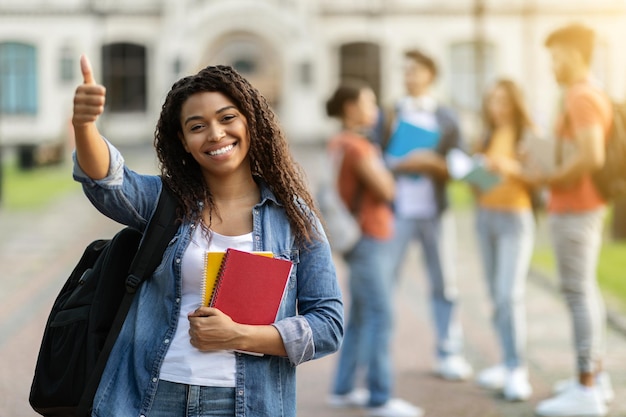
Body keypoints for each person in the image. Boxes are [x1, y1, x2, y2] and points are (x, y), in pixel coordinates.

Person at [71, 54, 344, 417]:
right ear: (183, 141)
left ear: (251, 122)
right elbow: (108, 182)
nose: (216, 134)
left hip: (247, 403)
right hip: (151, 396)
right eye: (197, 126)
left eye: (227, 118)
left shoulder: (292, 216)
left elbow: (328, 323)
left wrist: (239, 336)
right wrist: (85, 126)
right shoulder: (164, 202)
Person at [325, 80, 421, 417]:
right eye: (369, 102)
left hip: (356, 236)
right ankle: (380, 397)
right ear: (351, 108)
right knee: (381, 315)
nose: (375, 110)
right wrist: (391, 172)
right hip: (370, 235)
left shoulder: (338, 142)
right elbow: (387, 189)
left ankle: (343, 387)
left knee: (362, 315)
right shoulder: (358, 146)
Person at [532, 23, 614, 417]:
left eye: (556, 56)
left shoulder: (581, 96)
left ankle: (586, 391)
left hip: (577, 207)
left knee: (578, 294)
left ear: (575, 54)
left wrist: (552, 176)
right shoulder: (582, 94)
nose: (552, 64)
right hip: (578, 207)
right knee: (584, 292)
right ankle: (594, 377)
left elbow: (592, 156)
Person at [383, 49, 472, 381]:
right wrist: (398, 163)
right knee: (386, 282)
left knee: (444, 284)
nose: (409, 77)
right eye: (405, 71)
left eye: (415, 71)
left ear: (430, 76)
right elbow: (376, 156)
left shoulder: (446, 115)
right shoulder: (391, 112)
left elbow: (463, 160)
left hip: (435, 210)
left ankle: (449, 352)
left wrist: (435, 163)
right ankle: (381, 354)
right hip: (398, 210)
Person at [472, 79, 537, 401]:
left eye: (503, 101)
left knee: (508, 294)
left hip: (515, 218)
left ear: (514, 102)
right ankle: (504, 360)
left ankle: (517, 369)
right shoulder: (487, 134)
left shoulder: (528, 134)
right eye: (493, 100)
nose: (497, 107)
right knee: (495, 297)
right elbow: (479, 184)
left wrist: (509, 166)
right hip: (486, 218)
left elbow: (539, 177)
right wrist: (473, 171)